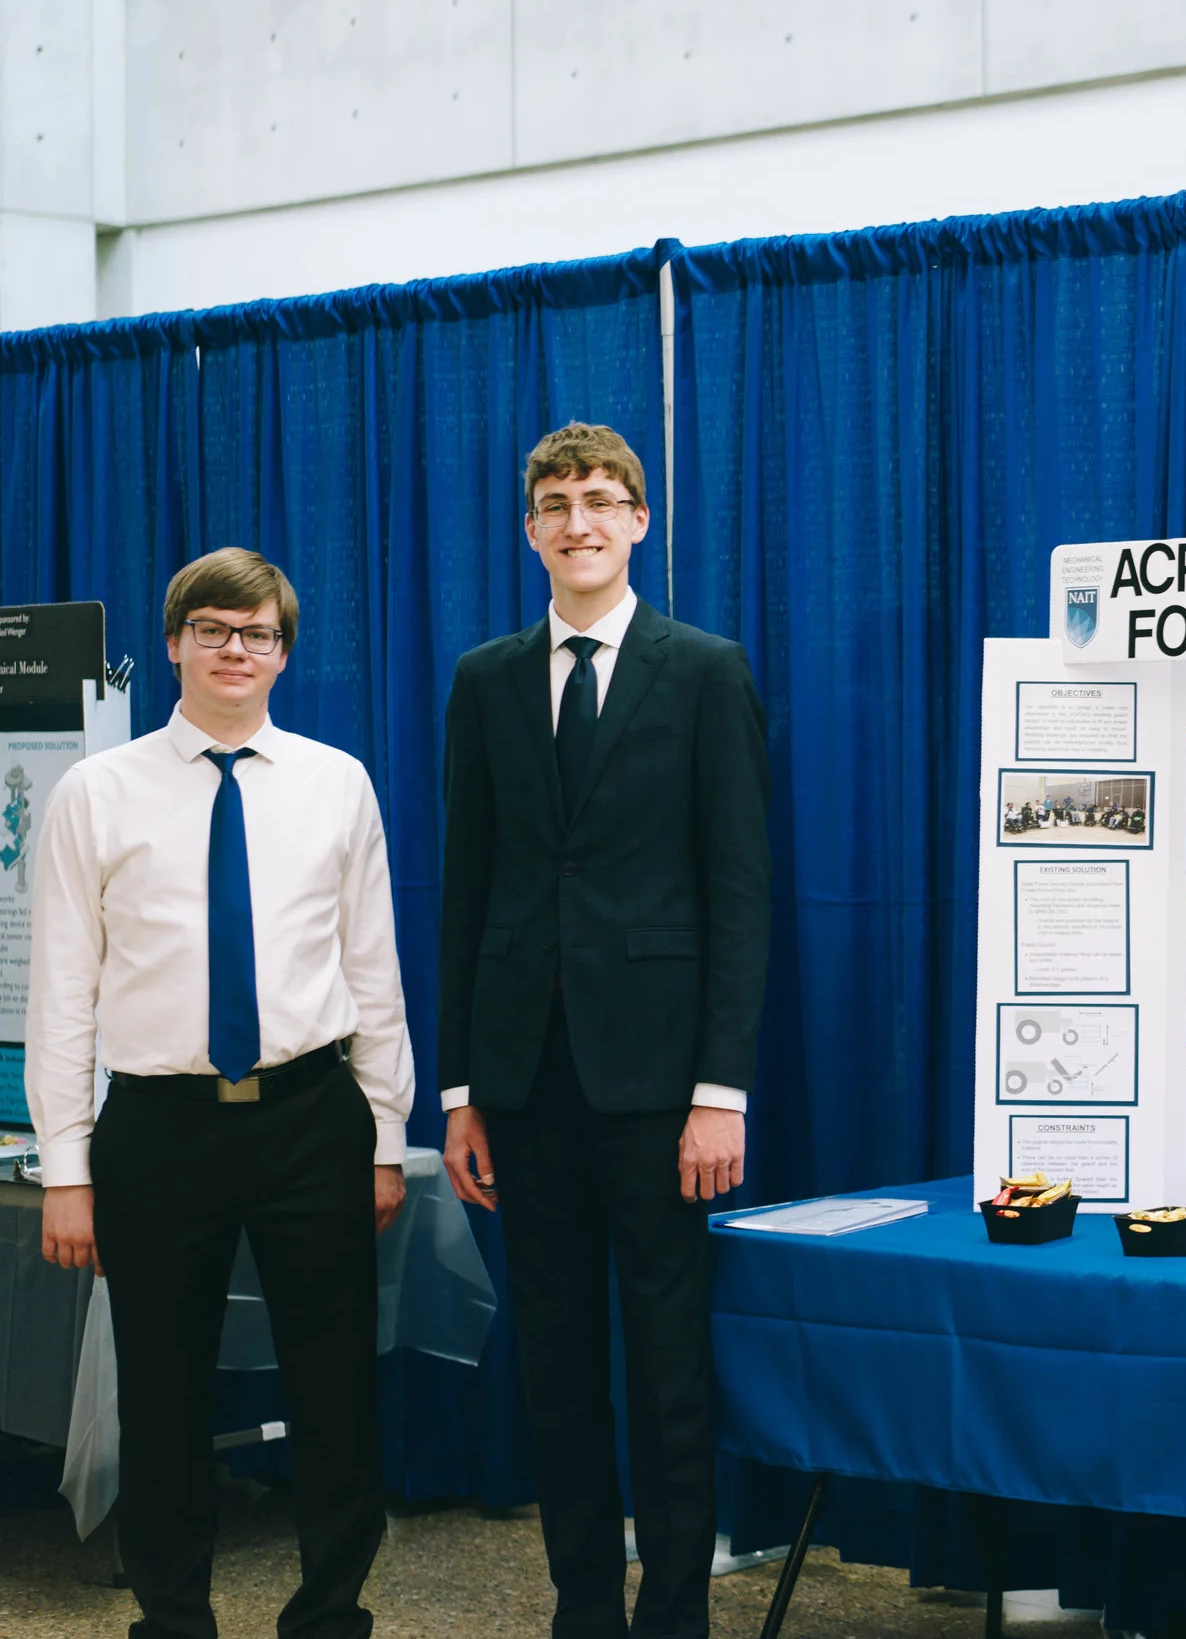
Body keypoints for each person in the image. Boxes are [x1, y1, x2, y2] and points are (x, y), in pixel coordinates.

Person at [29, 548, 415, 1639]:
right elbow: (64, 991)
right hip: (159, 1128)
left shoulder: (337, 781)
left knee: (337, 1386)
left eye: (255, 632)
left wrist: (385, 1133)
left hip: (312, 1118)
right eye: (211, 628)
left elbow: (374, 969)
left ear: (284, 652)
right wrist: (68, 1167)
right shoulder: (98, 792)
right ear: (174, 644)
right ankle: (173, 1616)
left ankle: (333, 1609)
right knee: (161, 1393)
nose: (233, 648)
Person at [437, 422, 769, 1639]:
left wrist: (719, 1090)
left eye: (602, 499)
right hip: (524, 1083)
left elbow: (739, 893)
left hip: (660, 1086)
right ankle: (584, 1608)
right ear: (529, 530)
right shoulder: (484, 679)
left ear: (639, 520)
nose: (579, 521)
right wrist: (462, 1086)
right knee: (558, 1364)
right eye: (557, 503)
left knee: (668, 1365)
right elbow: (465, 889)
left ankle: (673, 1613)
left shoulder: (704, 669)